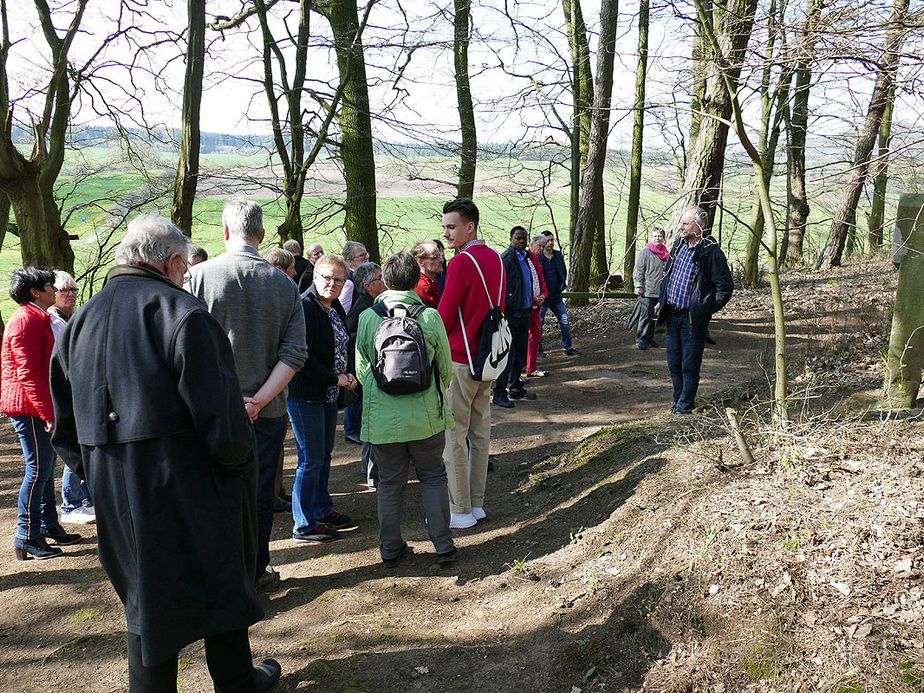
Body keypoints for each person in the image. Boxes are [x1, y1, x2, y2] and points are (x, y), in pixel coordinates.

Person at [50, 214, 281, 692]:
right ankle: (237, 682)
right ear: (173, 261)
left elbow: (64, 427)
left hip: (116, 488)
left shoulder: (78, 322)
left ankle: (220, 681)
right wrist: (237, 468)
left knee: (144, 596)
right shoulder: (183, 314)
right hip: (189, 481)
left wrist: (99, 475)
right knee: (218, 576)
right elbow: (221, 416)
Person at [187, 197, 308, 589]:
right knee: (259, 493)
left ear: (225, 231)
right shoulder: (284, 286)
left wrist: (232, 400)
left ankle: (221, 571)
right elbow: (295, 353)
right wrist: (258, 400)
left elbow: (187, 349)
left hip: (212, 411)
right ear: (262, 234)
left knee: (213, 488)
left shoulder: (198, 279)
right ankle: (255, 568)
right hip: (267, 412)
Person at [356, 251, 456, 567]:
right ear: (416, 279)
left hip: (383, 421)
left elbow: (362, 367)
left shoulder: (368, 318)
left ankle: (389, 548)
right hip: (426, 416)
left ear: (386, 279)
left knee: (389, 483)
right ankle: (443, 545)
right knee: (434, 477)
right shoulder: (429, 317)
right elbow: (446, 368)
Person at [3, 267, 81, 560]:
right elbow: (29, 375)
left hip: (36, 406)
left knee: (46, 469)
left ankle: (48, 525)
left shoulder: (38, 317)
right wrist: (48, 413)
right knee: (37, 470)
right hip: (28, 407)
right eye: (50, 285)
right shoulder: (25, 321)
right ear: (36, 292)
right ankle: (26, 536)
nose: (55, 289)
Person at [437, 197, 505, 530]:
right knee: (480, 435)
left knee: (454, 437)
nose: (446, 233)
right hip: (489, 358)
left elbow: (445, 316)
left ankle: (459, 509)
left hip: (461, 360)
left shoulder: (462, 262)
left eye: (451, 226)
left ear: (470, 226)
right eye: (445, 227)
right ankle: (476, 504)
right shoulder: (496, 258)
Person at [288, 253, 359, 543]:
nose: (332, 283)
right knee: (309, 459)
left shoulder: (333, 307)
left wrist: (348, 375)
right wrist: (336, 378)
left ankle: (321, 508)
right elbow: (303, 357)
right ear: (315, 276)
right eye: (326, 277)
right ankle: (303, 524)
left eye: (338, 279)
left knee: (323, 455)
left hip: (330, 394)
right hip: (306, 394)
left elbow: (343, 343)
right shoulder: (305, 306)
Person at [655, 205, 734, 414]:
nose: (680, 227)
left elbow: (725, 288)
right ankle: (678, 401)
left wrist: (704, 309)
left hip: (692, 320)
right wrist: (661, 301)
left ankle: (685, 407)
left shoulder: (711, 252)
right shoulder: (679, 245)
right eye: (681, 222)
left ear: (700, 225)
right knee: (673, 364)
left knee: (689, 366)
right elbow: (668, 275)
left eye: (685, 223)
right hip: (672, 315)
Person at [47, 270, 96, 525]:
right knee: (72, 446)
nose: (71, 295)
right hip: (62, 393)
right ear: (52, 294)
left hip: (79, 390)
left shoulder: (71, 319)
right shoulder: (52, 322)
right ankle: (70, 503)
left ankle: (85, 499)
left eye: (73, 290)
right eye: (64, 290)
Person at [344, 261, 385, 488]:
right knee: (369, 420)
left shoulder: (374, 303)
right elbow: (349, 335)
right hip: (364, 371)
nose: (384, 281)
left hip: (368, 369)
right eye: (380, 278)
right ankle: (370, 469)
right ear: (368, 285)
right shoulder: (364, 308)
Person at [493, 226, 535, 407]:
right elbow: (500, 287)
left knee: (520, 352)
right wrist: (506, 307)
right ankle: (499, 392)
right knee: (507, 355)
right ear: (511, 239)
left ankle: (516, 386)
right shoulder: (506, 259)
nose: (522, 241)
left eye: (524, 238)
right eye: (518, 238)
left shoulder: (526, 258)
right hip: (510, 314)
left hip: (525, 312)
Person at [538, 231, 581, 357]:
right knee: (539, 323)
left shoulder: (557, 255)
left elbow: (563, 271)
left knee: (565, 321)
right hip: (542, 297)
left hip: (556, 296)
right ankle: (538, 349)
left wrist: (562, 286)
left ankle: (568, 347)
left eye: (552, 240)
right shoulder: (538, 257)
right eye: (548, 240)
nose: (550, 242)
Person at [632, 227, 669, 350]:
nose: (657, 238)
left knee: (654, 317)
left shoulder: (665, 253)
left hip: (660, 291)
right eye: (655, 236)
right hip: (646, 291)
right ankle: (641, 340)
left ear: (663, 239)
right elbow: (638, 271)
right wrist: (638, 286)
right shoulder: (645, 252)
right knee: (645, 316)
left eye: (660, 236)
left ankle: (650, 338)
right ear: (651, 238)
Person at [525, 234, 549, 378]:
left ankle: (531, 367)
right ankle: (513, 371)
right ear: (532, 245)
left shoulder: (538, 262)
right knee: (520, 339)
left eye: (543, 247)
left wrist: (544, 295)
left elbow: (541, 282)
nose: (541, 249)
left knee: (535, 336)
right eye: (539, 246)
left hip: (536, 306)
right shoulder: (524, 260)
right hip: (525, 306)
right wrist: (533, 299)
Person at [337, 241, 370, 314]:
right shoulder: (349, 282)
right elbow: (343, 311)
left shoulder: (363, 275)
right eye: (362, 255)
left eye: (366, 254)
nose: (366, 258)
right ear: (350, 261)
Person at [412, 239, 444, 308]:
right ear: (421, 262)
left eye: (440, 255)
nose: (441, 260)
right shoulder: (422, 287)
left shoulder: (431, 281)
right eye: (435, 257)